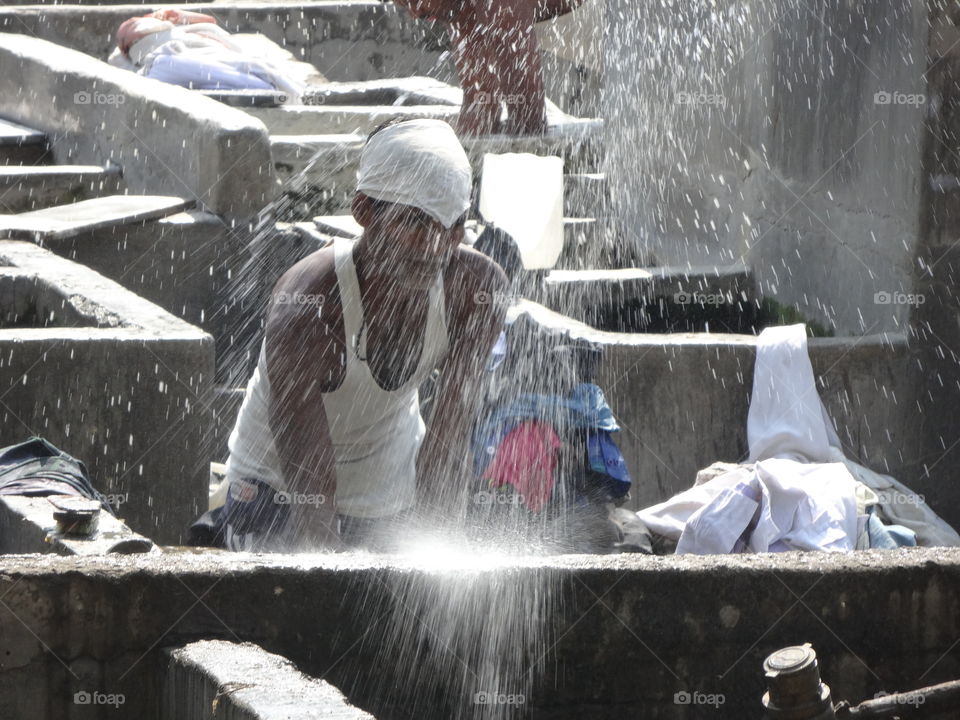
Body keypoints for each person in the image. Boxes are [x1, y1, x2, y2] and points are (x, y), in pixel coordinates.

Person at [222, 118, 508, 551]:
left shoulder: (476, 290)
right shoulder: (308, 304)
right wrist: (325, 565)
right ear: (363, 212)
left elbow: (449, 438)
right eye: (415, 222)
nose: (435, 246)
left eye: (452, 226)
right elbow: (311, 491)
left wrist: (440, 553)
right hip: (276, 491)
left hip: (386, 492)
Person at [391, 0, 587, 135]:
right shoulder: (459, 10)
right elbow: (480, 101)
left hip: (596, 23)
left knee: (523, 121)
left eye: (412, 1)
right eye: (403, 5)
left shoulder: (498, 5)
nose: (414, 14)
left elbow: (529, 118)